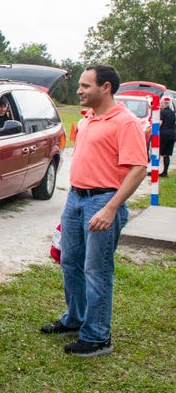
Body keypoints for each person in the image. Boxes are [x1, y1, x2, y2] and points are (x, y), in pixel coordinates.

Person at [40, 65, 146, 357]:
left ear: (106, 87)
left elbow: (138, 169)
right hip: (76, 199)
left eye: (86, 86)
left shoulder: (125, 122)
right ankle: (75, 319)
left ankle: (98, 336)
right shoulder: (88, 119)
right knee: (70, 262)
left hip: (103, 201)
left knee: (96, 270)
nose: (79, 90)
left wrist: (111, 208)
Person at [159, 97, 175, 177]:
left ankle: (155, 170)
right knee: (167, 154)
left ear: (163, 103)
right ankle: (165, 172)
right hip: (172, 134)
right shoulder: (173, 113)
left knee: (158, 152)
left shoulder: (163, 112)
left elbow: (160, 124)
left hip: (164, 134)